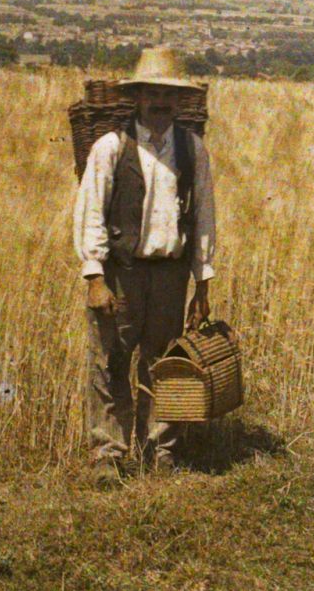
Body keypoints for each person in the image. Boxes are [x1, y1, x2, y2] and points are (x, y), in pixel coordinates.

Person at [72, 47, 217, 479]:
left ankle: (161, 452)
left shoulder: (191, 150)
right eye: (152, 93)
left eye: (168, 95)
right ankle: (109, 456)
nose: (160, 102)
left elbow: (204, 217)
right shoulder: (111, 148)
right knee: (110, 364)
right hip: (122, 275)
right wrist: (94, 277)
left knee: (164, 365)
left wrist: (202, 284)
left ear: (179, 102)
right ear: (137, 97)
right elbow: (90, 212)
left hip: (171, 275)